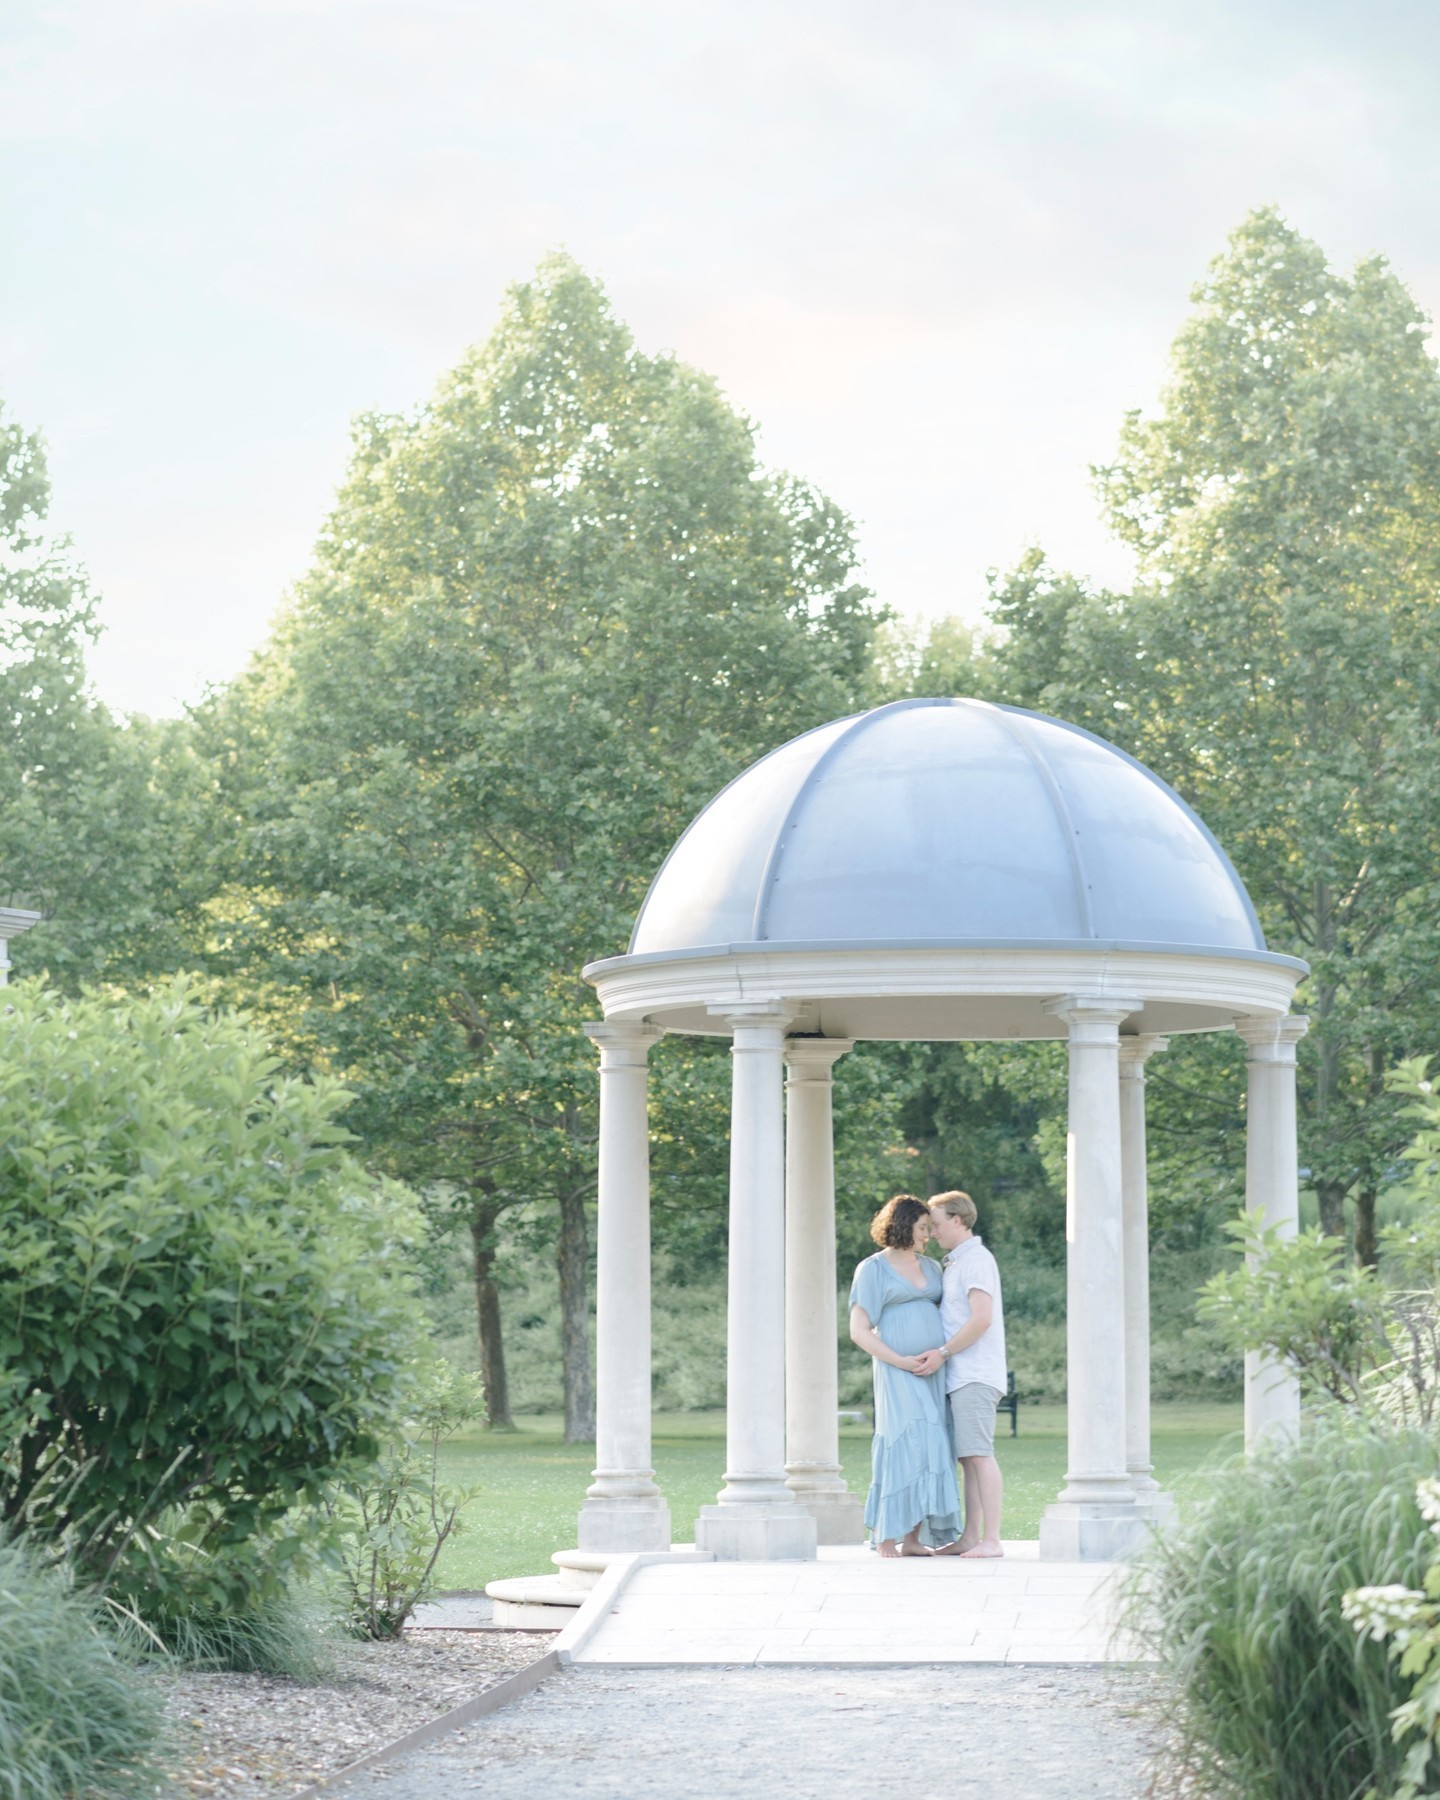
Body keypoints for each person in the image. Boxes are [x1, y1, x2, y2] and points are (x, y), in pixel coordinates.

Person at [848, 1194, 963, 1558]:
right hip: (896, 1369)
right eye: (922, 1228)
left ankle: (913, 1537)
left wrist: (940, 1355)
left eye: (930, 1228)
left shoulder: (932, 1267)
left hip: (932, 1370)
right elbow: (859, 1331)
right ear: (902, 1226)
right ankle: (885, 1536)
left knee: (929, 1446)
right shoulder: (872, 1269)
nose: (928, 1235)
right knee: (903, 1442)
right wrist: (900, 1361)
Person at [917, 1189, 1007, 1559]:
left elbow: (981, 1319)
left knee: (980, 1456)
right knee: (968, 1458)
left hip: (975, 1374)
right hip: (960, 1376)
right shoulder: (957, 1262)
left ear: (957, 1220)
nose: (932, 1231)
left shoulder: (976, 1261)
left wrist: (942, 1353)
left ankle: (992, 1540)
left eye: (936, 1223)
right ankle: (971, 1537)